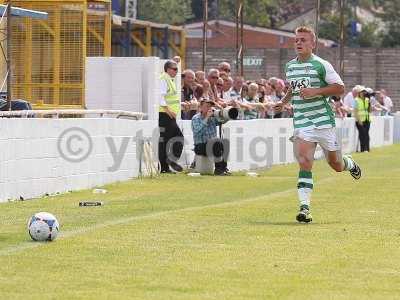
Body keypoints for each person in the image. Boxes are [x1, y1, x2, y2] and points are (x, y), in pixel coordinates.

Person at [275, 26, 361, 223]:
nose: (299, 43)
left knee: (336, 165)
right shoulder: (290, 67)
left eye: (303, 40)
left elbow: (340, 88)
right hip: (303, 122)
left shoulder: (321, 65)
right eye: (296, 40)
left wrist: (315, 91)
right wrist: (284, 101)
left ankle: (349, 163)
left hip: (324, 122)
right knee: (305, 162)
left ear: (313, 44)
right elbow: (292, 88)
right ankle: (304, 209)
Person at [191, 99, 230, 175]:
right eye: (207, 106)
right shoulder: (196, 118)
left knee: (224, 143)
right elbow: (197, 132)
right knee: (216, 143)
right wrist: (206, 118)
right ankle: (218, 170)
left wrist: (224, 112)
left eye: (210, 106)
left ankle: (223, 168)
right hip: (200, 146)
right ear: (200, 107)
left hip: (213, 145)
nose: (209, 108)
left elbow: (223, 121)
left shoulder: (213, 117)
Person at [158, 60, 184, 173]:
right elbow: (161, 97)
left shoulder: (169, 79)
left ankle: (166, 166)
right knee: (177, 138)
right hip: (166, 115)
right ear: (168, 69)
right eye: (175, 69)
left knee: (166, 140)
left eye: (177, 69)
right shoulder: (164, 79)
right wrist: (169, 111)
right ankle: (168, 163)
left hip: (169, 115)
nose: (176, 71)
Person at [354, 87, 371, 152]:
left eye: (364, 92)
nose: (363, 93)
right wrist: (359, 120)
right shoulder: (356, 100)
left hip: (367, 119)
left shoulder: (367, 99)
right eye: (362, 92)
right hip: (360, 120)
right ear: (359, 93)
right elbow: (355, 111)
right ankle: (363, 149)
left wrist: (369, 103)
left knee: (366, 134)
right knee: (362, 134)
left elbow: (369, 110)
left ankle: (367, 149)